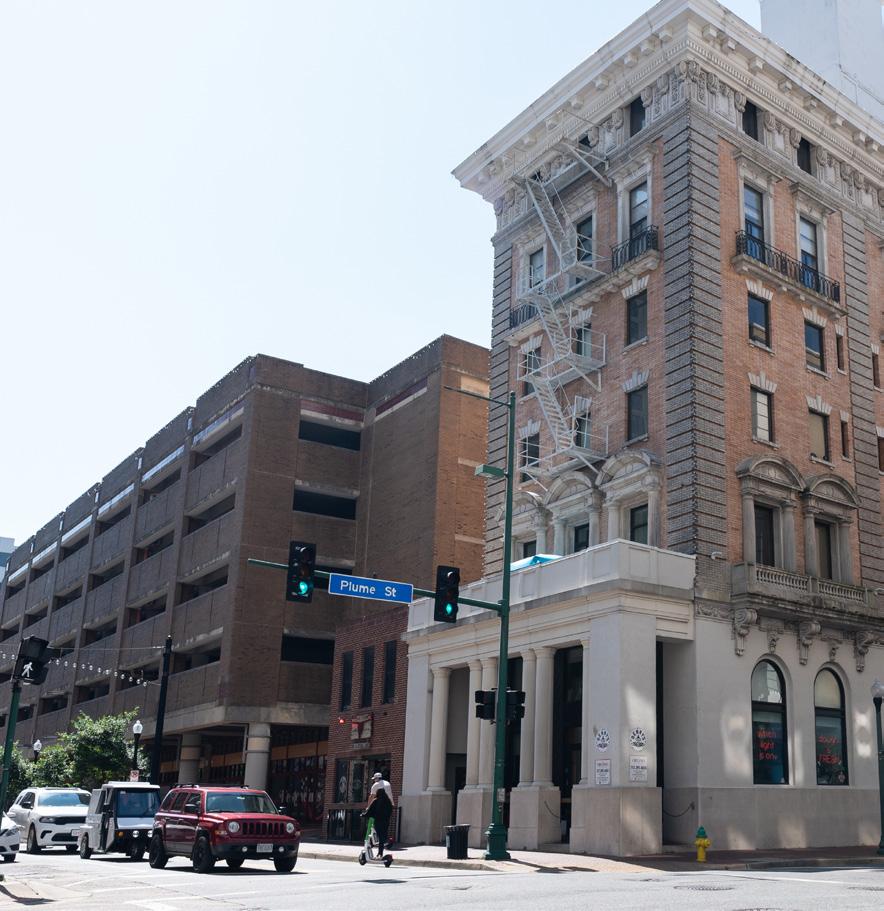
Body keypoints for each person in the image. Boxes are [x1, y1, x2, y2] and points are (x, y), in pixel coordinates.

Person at [362, 771, 394, 850]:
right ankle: (384, 840)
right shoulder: (388, 783)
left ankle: (380, 841)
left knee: (377, 824)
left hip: (381, 808)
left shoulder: (376, 785)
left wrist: (368, 807)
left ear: (376, 779)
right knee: (384, 825)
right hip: (390, 807)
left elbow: (371, 796)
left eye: (374, 779)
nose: (374, 780)